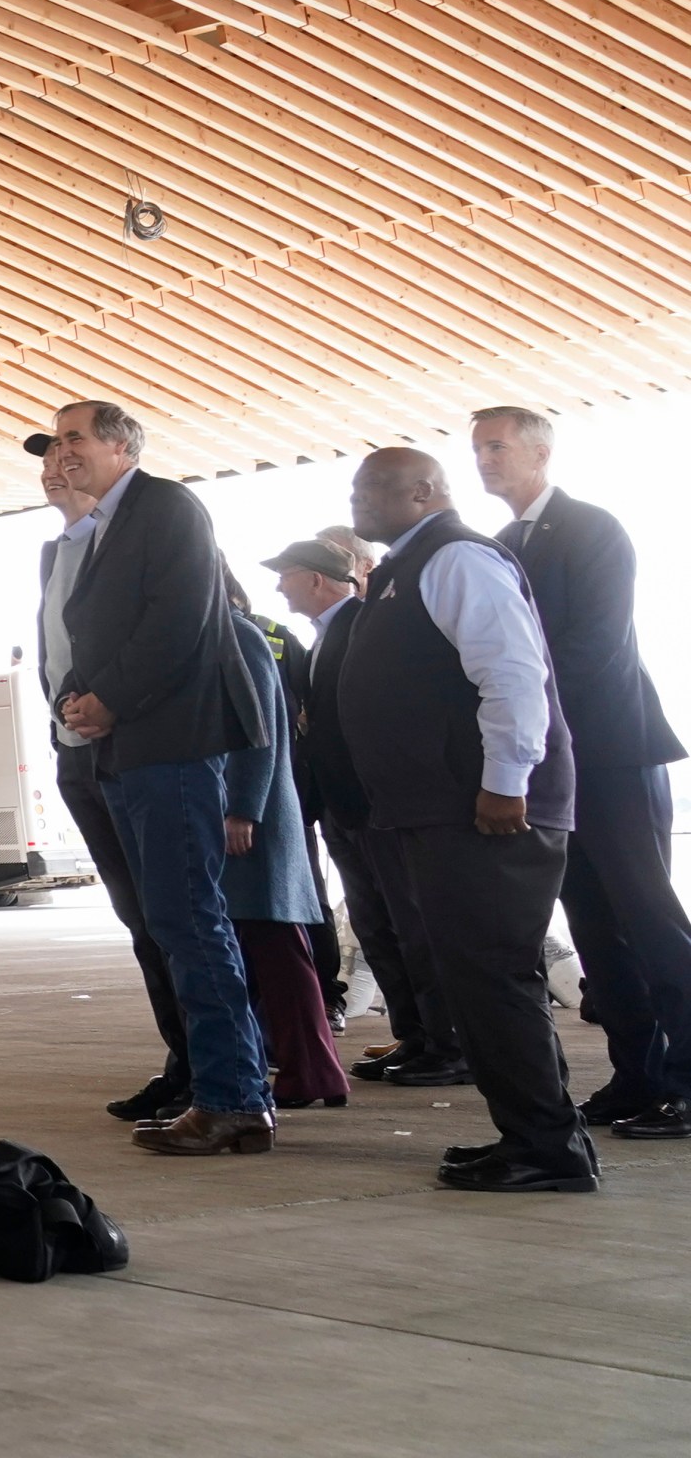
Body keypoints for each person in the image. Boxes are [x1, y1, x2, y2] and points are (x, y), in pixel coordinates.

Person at [335, 445, 597, 1191]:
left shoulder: (456, 560)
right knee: (478, 980)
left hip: (486, 813)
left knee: (494, 978)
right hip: (441, 812)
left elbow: (512, 673)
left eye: (374, 489)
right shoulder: (406, 568)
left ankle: (547, 1149)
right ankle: (535, 1136)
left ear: (424, 491)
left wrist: (506, 781)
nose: (359, 503)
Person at [33, 400, 273, 1157]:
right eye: (60, 442)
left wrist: (109, 699)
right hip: (127, 751)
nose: (64, 453)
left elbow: (177, 622)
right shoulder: (102, 528)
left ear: (120, 446)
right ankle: (223, 1090)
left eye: (76, 439)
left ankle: (233, 1097)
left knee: (191, 924)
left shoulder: (165, 507)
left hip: (168, 749)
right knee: (173, 924)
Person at [471, 406, 691, 1141]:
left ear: (540, 452)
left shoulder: (591, 528)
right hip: (553, 762)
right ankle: (641, 1077)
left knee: (649, 918)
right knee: (594, 925)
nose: (485, 459)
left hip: (610, 751)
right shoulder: (501, 544)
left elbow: (592, 645)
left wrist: (525, 721)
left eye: (497, 446)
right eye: (478, 449)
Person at [24, 435, 192, 1119]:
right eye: (47, 460)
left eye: (71, 452)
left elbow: (165, 629)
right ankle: (182, 1063)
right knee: (141, 921)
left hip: (131, 744)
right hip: (78, 749)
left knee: (175, 920)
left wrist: (109, 702)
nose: (54, 469)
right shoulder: (57, 550)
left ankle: (212, 1072)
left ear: (117, 454)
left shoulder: (139, 532)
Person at [271, 537, 450, 1084]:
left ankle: (447, 1043)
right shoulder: (325, 637)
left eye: (288, 575)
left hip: (375, 806)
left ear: (318, 580)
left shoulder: (365, 627)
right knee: (377, 926)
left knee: (410, 924)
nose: (279, 587)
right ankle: (416, 1035)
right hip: (345, 808)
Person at [224, 601, 350, 1108]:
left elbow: (259, 735)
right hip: (240, 820)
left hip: (250, 825)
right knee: (268, 956)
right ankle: (309, 1073)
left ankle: (314, 1073)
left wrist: (244, 808)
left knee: (280, 953)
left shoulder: (238, 637)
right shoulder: (217, 635)